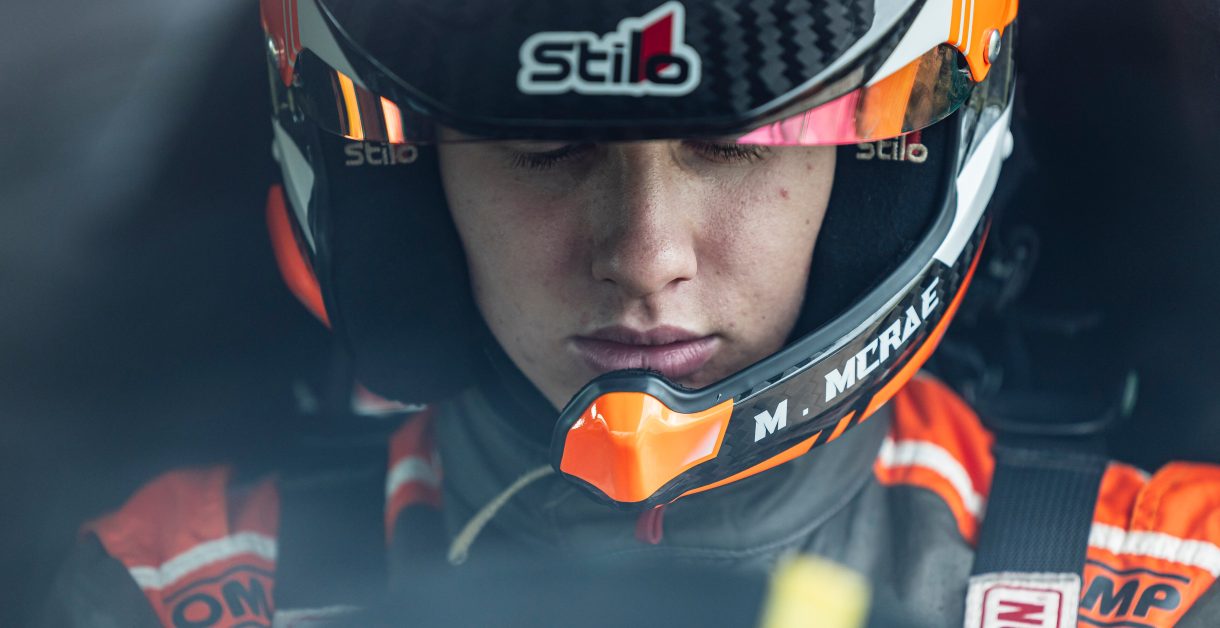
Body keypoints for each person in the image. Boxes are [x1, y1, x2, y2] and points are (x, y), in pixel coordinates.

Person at [40, 1, 1220, 626]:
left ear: (882, 171)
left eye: (731, 146)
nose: (642, 256)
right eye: (546, 149)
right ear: (402, 185)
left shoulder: (1160, 590)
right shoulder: (177, 590)